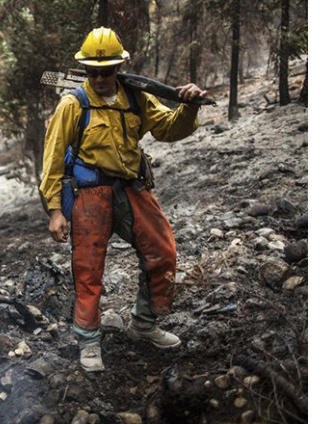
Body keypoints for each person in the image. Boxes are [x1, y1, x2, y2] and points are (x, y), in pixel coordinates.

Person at [39, 27, 208, 372]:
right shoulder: (72, 104)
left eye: (107, 71)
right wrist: (55, 210)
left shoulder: (135, 96)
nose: (100, 78)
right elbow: (53, 158)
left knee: (162, 251)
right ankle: (89, 340)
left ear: (119, 67)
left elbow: (167, 128)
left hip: (132, 188)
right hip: (90, 193)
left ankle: (144, 324)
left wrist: (188, 107)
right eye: (93, 72)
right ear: (86, 70)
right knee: (88, 268)